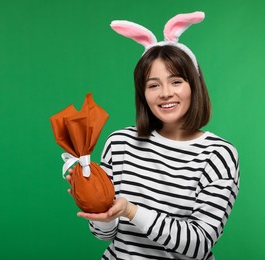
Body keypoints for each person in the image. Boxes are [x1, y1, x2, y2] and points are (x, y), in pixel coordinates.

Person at [66, 12, 239, 260]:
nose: (165, 93)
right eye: (153, 85)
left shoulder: (218, 155)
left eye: (176, 81)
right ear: (143, 94)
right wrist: (96, 204)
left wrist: (131, 210)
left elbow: (199, 244)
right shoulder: (120, 143)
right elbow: (104, 234)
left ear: (194, 84)